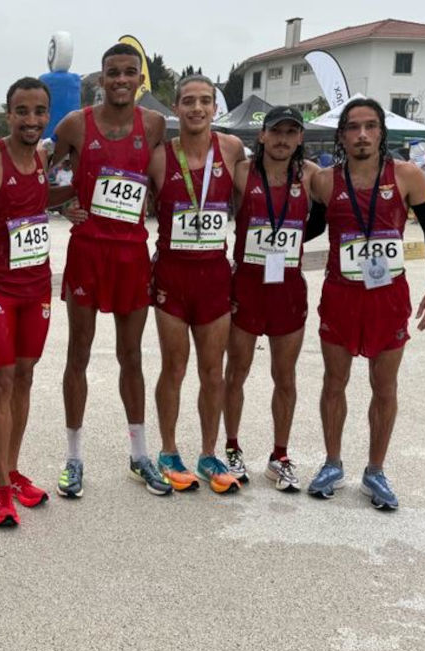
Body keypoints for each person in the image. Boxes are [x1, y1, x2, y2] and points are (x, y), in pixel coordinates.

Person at [306, 97, 425, 510]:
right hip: (340, 296)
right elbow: (304, 226)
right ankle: (332, 463)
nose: (362, 134)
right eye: (353, 127)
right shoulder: (326, 182)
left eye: (370, 126)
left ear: (382, 132)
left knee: (384, 387)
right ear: (342, 135)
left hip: (388, 298)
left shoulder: (407, 176)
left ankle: (376, 470)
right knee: (334, 383)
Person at [49, 43, 170, 499]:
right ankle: (73, 458)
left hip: (131, 255)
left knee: (132, 356)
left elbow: (160, 183)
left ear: (140, 79)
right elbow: (43, 175)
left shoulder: (154, 124)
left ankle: (140, 455)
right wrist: (64, 206)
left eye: (129, 72)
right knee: (78, 354)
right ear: (100, 79)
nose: (121, 79)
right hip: (88, 252)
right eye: (112, 73)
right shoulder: (76, 123)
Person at [0, 77, 72, 525]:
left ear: (47, 114)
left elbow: (39, 197)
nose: (31, 120)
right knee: (2, 380)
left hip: (36, 286)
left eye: (38, 111)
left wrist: (71, 201)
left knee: (26, 376)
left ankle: (12, 470)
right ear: (8, 114)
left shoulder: (45, 157)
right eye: (22, 111)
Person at [145, 74, 247, 494]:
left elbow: (250, 198)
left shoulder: (231, 149)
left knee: (212, 371)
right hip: (172, 275)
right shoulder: (158, 156)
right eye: (189, 101)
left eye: (205, 101)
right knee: (175, 367)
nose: (197, 109)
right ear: (176, 107)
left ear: (215, 107)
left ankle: (208, 452)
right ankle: (168, 451)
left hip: (214, 277)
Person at [222, 106, 324, 491]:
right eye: (276, 132)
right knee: (237, 372)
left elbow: (341, 208)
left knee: (285, 376)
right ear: (262, 135)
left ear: (300, 138)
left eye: (291, 132)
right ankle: (232, 448)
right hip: (246, 285)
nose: (283, 139)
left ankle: (279, 456)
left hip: (287, 288)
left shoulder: (311, 175)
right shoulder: (242, 174)